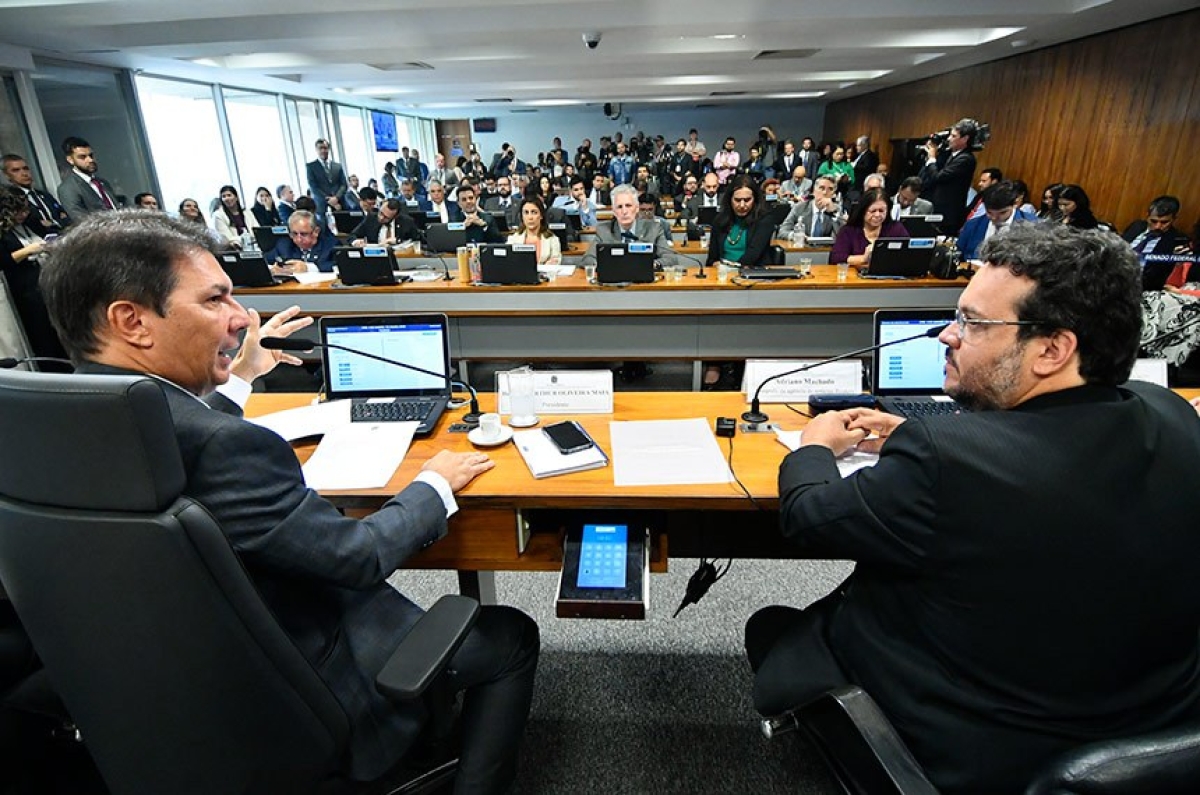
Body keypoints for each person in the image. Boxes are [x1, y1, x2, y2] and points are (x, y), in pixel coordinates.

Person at [39, 210, 539, 792]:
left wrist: (239, 379)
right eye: (215, 299)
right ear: (132, 321)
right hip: (302, 687)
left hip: (147, 700)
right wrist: (433, 483)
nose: (239, 318)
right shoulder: (226, 448)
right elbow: (355, 556)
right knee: (509, 638)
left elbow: (184, 435)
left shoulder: (53, 423)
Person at [747, 222, 1200, 794]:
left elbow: (812, 517)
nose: (946, 336)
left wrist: (814, 447)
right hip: (1156, 740)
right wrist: (920, 434)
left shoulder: (945, 460)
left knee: (774, 631)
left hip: (978, 751)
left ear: (1053, 349)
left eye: (973, 323)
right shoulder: (1173, 415)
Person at [0, 187, 66, 360]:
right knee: (42, 336)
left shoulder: (30, 222)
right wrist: (28, 250)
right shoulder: (4, 233)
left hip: (46, 279)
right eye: (18, 212)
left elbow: (48, 234)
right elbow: (4, 261)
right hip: (24, 288)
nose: (23, 215)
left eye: (25, 210)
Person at [580, 184, 678, 271]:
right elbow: (587, 259)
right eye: (619, 207)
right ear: (613, 211)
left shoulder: (654, 228)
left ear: (636, 208)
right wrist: (605, 266)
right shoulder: (604, 230)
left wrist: (652, 265)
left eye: (628, 206)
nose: (624, 211)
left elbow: (670, 258)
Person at [918, 118, 979, 232]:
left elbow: (938, 177)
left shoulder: (965, 159)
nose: (949, 139)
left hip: (949, 215)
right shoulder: (951, 155)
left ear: (965, 139)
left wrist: (932, 158)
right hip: (938, 209)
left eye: (954, 136)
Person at [704, 175, 775, 269]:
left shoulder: (765, 220)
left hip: (754, 275)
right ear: (730, 199)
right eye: (737, 200)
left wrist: (730, 268)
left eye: (747, 200)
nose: (742, 205)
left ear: (755, 200)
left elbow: (752, 256)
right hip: (722, 276)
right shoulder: (720, 220)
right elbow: (712, 259)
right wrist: (715, 265)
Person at [957, 180, 1040, 261]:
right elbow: (958, 255)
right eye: (989, 212)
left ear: (1015, 204)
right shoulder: (972, 225)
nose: (994, 218)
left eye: (1002, 213)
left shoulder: (1034, 226)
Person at [830, 187, 908, 272]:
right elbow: (835, 258)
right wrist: (863, 258)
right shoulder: (848, 231)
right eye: (873, 211)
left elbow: (908, 254)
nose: (877, 215)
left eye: (881, 211)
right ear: (863, 211)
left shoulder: (896, 229)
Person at [2, 153, 71, 235]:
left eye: (26, 168)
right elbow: (34, 226)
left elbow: (66, 217)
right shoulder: (13, 202)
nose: (24, 173)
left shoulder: (45, 195)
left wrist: (52, 223)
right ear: (6, 175)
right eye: (16, 170)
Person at [56, 136, 121, 218]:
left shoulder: (103, 182)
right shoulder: (68, 188)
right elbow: (81, 221)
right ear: (70, 160)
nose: (90, 160)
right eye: (82, 157)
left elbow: (116, 208)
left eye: (91, 155)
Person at [266, 210, 337, 274]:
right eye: (294, 234)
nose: (299, 239)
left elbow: (339, 266)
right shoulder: (284, 245)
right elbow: (264, 260)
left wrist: (308, 268)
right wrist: (273, 268)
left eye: (304, 234)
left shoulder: (331, 245)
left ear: (316, 231)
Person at [778, 175, 845, 240]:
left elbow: (845, 236)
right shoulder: (800, 207)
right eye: (821, 188)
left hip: (825, 250)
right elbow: (782, 231)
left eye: (830, 189)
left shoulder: (836, 210)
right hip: (803, 249)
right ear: (813, 191)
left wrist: (833, 212)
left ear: (833, 194)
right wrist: (796, 236)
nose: (825, 192)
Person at [1122, 195, 1189, 256]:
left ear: (1174, 219)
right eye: (1153, 221)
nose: (1157, 227)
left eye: (1164, 222)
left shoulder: (1175, 240)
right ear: (1147, 216)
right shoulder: (1136, 226)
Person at [506, 198, 562, 266]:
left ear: (541, 215)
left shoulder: (552, 240)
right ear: (522, 216)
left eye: (534, 212)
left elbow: (556, 260)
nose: (530, 217)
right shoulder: (513, 239)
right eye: (526, 212)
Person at [305, 138, 348, 214]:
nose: (323, 151)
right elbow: (313, 187)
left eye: (325, 148)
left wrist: (336, 198)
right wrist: (329, 200)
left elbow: (343, 185)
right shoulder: (311, 166)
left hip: (339, 203)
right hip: (322, 205)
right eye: (320, 148)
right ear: (316, 150)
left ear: (328, 149)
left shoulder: (337, 166)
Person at [351, 198, 418, 247]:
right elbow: (353, 235)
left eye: (386, 217)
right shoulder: (371, 218)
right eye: (381, 213)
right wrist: (355, 241)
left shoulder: (407, 222)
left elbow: (418, 240)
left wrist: (398, 240)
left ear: (395, 216)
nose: (381, 218)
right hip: (375, 257)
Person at [212, 185, 258, 249]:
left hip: (254, 246)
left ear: (236, 197)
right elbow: (227, 238)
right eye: (223, 196)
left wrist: (252, 240)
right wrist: (246, 240)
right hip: (234, 249)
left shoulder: (247, 212)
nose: (227, 198)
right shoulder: (218, 215)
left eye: (229, 195)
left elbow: (257, 230)